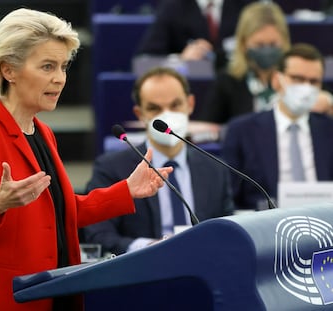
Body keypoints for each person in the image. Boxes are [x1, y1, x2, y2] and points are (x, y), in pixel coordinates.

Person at [0, 8, 172, 311]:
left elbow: (59, 212)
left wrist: (126, 190)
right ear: (8, 69)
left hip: (54, 293)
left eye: (63, 67)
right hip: (6, 301)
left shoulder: (43, 133)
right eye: (47, 67)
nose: (60, 79)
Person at [83, 67, 234, 255]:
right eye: (154, 108)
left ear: (190, 104)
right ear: (139, 114)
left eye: (175, 105)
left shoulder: (215, 168)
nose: (167, 114)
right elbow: (98, 234)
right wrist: (148, 248)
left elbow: (229, 230)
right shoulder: (111, 168)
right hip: (142, 271)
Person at [222, 43, 333, 210]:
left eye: (314, 81)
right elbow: (229, 198)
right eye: (297, 79)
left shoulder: (328, 129)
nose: (306, 87)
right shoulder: (242, 131)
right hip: (265, 227)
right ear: (276, 80)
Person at [199, 1, 333, 126]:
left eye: (273, 44)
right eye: (260, 45)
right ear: (244, 43)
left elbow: (325, 102)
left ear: (285, 41)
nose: (267, 51)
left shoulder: (298, 75)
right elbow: (206, 127)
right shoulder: (227, 82)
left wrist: (328, 103)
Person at [135, 0, 254, 71]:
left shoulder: (247, 6)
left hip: (236, 89)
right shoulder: (173, 6)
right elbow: (144, 61)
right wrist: (181, 61)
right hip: (190, 88)